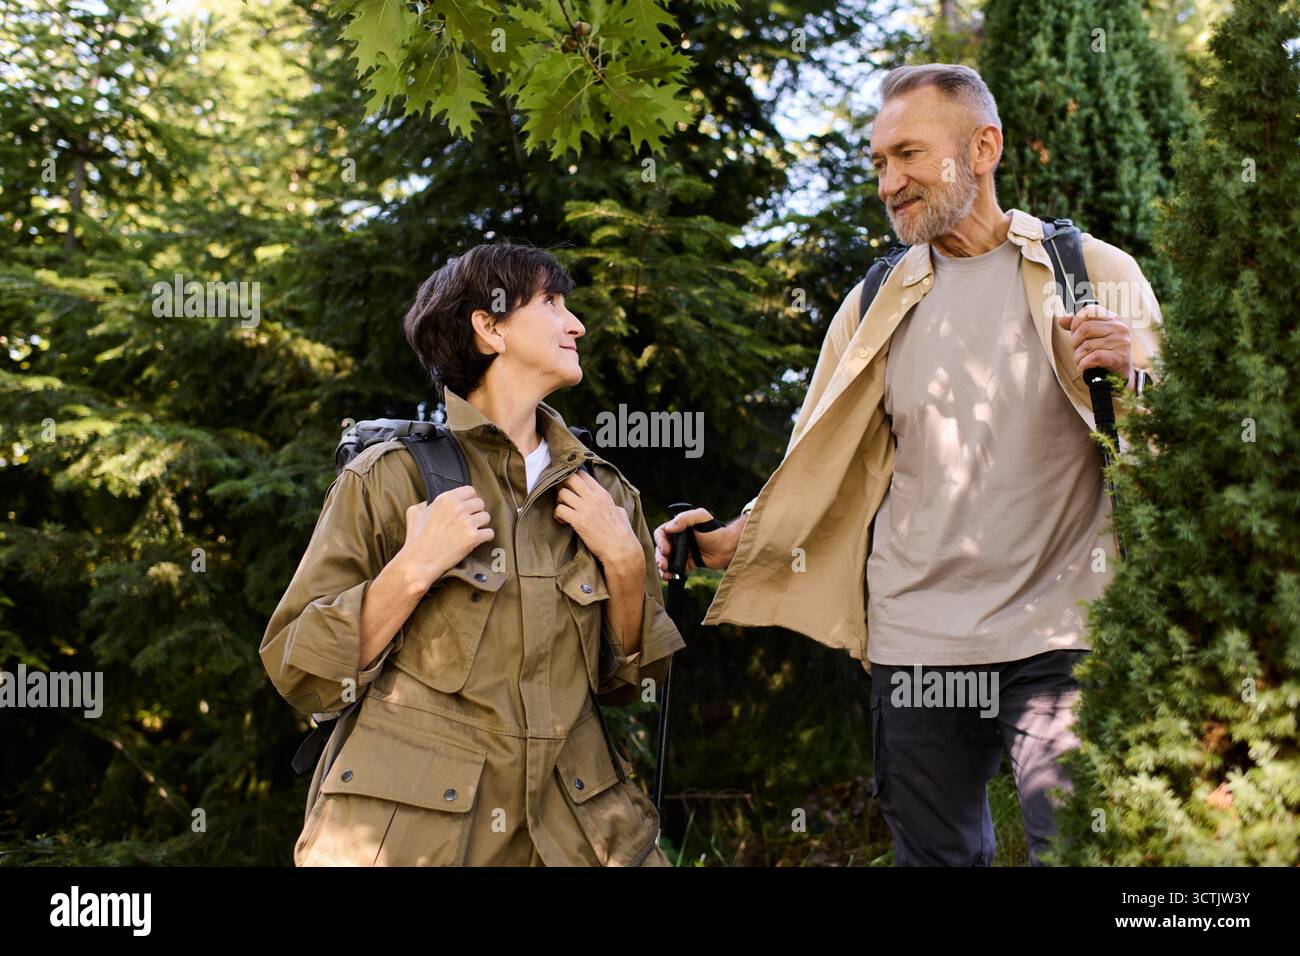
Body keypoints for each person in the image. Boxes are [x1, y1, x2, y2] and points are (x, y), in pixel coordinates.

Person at [654, 64, 1162, 866]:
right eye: (879, 164)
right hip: (917, 641)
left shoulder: (1094, 273)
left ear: (982, 148)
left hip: (1064, 631)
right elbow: (814, 462)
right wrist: (729, 542)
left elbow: (1174, 445)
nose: (889, 183)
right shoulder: (873, 302)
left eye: (908, 155)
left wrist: (1134, 375)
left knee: (1088, 852)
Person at [261, 242, 685, 866]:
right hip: (421, 839)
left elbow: (634, 684)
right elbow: (302, 671)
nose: (576, 323)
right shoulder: (390, 477)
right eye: (550, 302)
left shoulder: (604, 493)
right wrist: (413, 568)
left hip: (580, 836)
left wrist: (625, 565)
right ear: (488, 327)